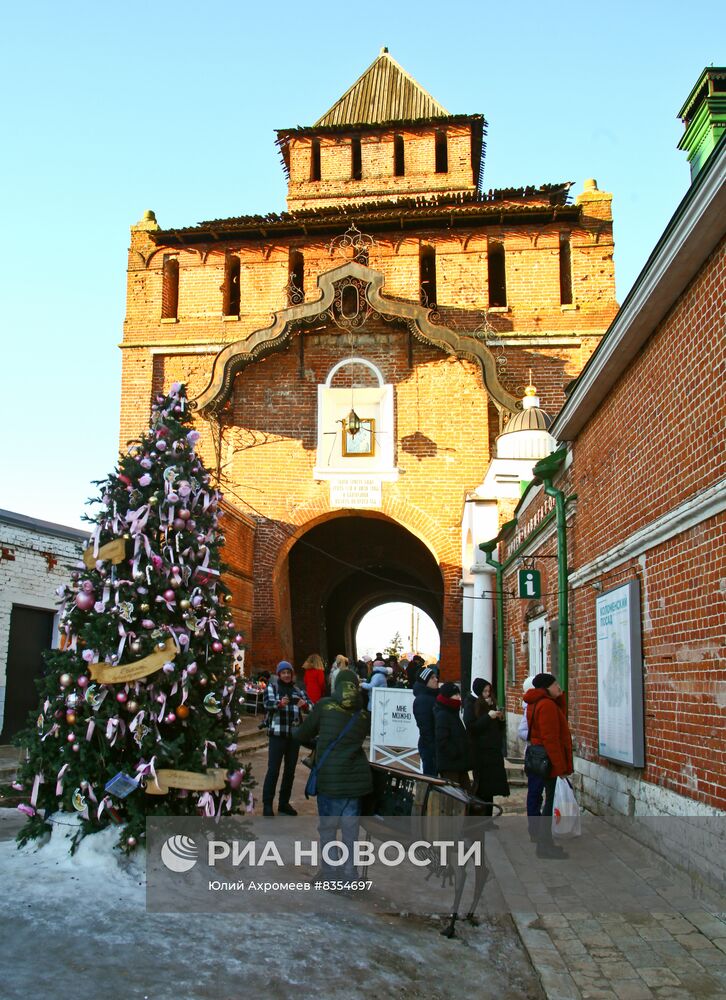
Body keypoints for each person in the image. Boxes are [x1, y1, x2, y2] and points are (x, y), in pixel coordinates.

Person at [294, 668, 372, 880]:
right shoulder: (363, 715)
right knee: (350, 832)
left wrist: (317, 742)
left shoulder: (324, 706)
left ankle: (330, 872)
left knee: (328, 829)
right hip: (355, 781)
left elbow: (302, 734)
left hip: (331, 780)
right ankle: (349, 874)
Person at [523, 672, 573, 859]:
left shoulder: (536, 703)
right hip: (548, 760)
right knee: (549, 802)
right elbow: (550, 739)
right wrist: (560, 768)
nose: (559, 687)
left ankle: (544, 840)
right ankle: (544, 845)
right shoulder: (547, 705)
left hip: (538, 757)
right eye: (555, 684)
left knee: (540, 798)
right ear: (546, 688)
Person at [261, 661, 310, 816]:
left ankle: (284, 803)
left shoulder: (297, 690)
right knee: (273, 770)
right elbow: (267, 704)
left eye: (289, 672)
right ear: (279, 674)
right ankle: (267, 804)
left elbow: (312, 706)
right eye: (283, 673)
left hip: (294, 736)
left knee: (290, 771)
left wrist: (305, 706)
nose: (287, 675)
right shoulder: (273, 687)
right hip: (277, 735)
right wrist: (279, 703)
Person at [463, 678, 510, 815]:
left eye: (489, 691)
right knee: (481, 786)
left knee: (490, 787)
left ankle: (488, 816)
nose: (487, 694)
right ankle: (479, 815)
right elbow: (472, 727)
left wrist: (500, 719)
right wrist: (488, 716)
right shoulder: (471, 704)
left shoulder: (490, 703)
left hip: (492, 751)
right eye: (484, 691)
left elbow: (496, 727)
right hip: (480, 751)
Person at [519, 676, 544, 840]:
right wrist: (535, 737)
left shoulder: (542, 705)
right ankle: (535, 829)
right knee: (535, 792)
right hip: (536, 755)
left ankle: (539, 827)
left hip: (540, 755)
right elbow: (522, 731)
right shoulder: (530, 707)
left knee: (538, 793)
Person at [433, 681, 471, 790]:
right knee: (454, 797)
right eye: (456, 695)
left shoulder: (453, 712)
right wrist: (455, 752)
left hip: (459, 763)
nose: (459, 698)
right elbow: (441, 740)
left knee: (466, 794)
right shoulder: (443, 714)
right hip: (450, 764)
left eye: (459, 694)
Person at [412, 665, 439, 776]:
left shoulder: (433, 696)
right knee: (431, 779)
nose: (436, 679)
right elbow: (425, 727)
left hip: (434, 745)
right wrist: (433, 746)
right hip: (430, 747)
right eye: (432, 678)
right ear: (425, 681)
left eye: (435, 677)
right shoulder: (422, 700)